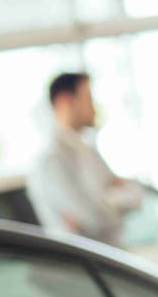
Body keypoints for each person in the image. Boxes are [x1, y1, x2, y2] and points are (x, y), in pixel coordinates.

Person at [26, 72, 143, 248]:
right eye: (88, 99)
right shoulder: (51, 160)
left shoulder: (87, 150)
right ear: (66, 101)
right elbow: (93, 219)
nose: (95, 108)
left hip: (113, 256)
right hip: (84, 265)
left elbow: (134, 194)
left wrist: (107, 202)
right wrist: (111, 198)